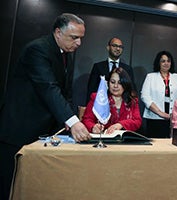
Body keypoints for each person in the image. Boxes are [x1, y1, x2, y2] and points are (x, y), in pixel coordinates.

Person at [0, 13, 91, 200]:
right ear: (58, 32)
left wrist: (70, 121)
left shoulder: (67, 55)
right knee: (8, 185)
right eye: (74, 37)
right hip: (20, 129)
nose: (79, 43)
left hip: (43, 132)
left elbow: (65, 94)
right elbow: (48, 88)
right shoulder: (38, 50)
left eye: (81, 38)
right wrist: (73, 122)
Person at [82, 67, 142, 134]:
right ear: (108, 83)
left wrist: (120, 125)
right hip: (103, 139)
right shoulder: (98, 98)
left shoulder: (132, 100)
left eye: (119, 83)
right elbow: (87, 120)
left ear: (125, 84)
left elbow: (137, 121)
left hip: (124, 141)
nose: (115, 86)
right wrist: (93, 127)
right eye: (112, 82)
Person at [141, 50, 177, 138]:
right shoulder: (151, 77)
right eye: (163, 61)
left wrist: (175, 114)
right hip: (154, 119)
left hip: (174, 119)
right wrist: (160, 113)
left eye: (168, 61)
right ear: (158, 63)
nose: (166, 63)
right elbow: (145, 96)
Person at [86, 37, 136, 103]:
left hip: (121, 106)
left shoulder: (127, 69)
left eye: (120, 47)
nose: (118, 48)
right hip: (101, 105)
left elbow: (131, 90)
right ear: (108, 47)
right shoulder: (98, 67)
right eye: (115, 46)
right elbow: (91, 89)